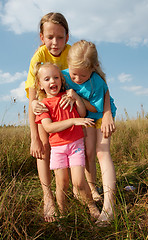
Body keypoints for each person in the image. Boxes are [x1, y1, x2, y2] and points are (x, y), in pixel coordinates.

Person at [34, 62, 100, 219]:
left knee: (78, 181)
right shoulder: (43, 105)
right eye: (47, 79)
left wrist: (75, 97)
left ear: (62, 80)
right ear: (40, 85)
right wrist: (73, 121)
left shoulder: (67, 97)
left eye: (56, 77)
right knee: (62, 183)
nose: (52, 81)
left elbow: (82, 113)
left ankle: (91, 206)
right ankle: (63, 214)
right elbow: (49, 127)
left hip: (75, 144)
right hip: (57, 149)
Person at [61, 40, 117, 226]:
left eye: (82, 75)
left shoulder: (97, 82)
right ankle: (92, 190)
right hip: (83, 119)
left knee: (102, 153)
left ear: (93, 69)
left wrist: (77, 97)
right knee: (88, 153)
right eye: (74, 74)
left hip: (100, 115)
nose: (76, 79)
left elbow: (95, 107)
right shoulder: (63, 76)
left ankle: (110, 207)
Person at [25, 12, 71, 222]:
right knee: (44, 145)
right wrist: (34, 137)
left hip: (68, 105)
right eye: (50, 37)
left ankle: (72, 190)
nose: (55, 42)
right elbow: (33, 102)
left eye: (60, 37)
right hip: (46, 107)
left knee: (72, 143)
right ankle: (47, 196)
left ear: (67, 37)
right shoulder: (39, 57)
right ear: (42, 37)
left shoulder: (71, 53)